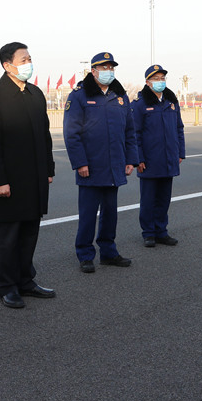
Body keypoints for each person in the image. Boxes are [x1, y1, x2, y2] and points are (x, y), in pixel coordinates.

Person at [0, 42, 56, 308]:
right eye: (23, 59)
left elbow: (45, 135)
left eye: (30, 58)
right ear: (7, 65)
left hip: (35, 177)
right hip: (9, 180)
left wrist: (49, 168)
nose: (28, 64)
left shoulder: (35, 94)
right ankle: (7, 286)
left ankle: (26, 280)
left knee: (31, 230)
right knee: (10, 235)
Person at [64, 52, 138, 273]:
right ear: (93, 71)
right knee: (88, 214)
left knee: (110, 213)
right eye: (104, 68)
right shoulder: (79, 95)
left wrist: (131, 160)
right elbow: (71, 133)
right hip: (91, 166)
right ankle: (85, 254)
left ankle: (108, 252)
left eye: (111, 68)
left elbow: (129, 131)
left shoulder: (120, 96)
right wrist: (80, 163)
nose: (108, 72)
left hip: (115, 165)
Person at [131, 64, 186, 247]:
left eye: (162, 78)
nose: (160, 82)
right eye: (156, 79)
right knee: (148, 200)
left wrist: (180, 153)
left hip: (169, 159)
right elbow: (135, 133)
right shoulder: (140, 105)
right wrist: (138, 158)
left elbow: (179, 128)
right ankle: (148, 233)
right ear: (147, 82)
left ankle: (161, 231)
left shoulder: (171, 102)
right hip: (149, 160)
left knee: (164, 199)